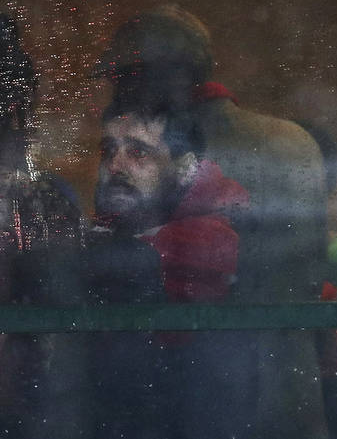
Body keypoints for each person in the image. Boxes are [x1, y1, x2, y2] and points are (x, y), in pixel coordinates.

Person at [96, 5, 330, 438]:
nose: (115, 94)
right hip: (290, 387)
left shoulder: (160, 150)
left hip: (201, 396)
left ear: (146, 77)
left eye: (120, 78)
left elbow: (121, 274)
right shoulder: (293, 140)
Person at [87, 99, 254, 439]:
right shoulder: (118, 229)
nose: (114, 166)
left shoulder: (213, 238)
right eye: (109, 150)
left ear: (185, 169)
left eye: (138, 153)